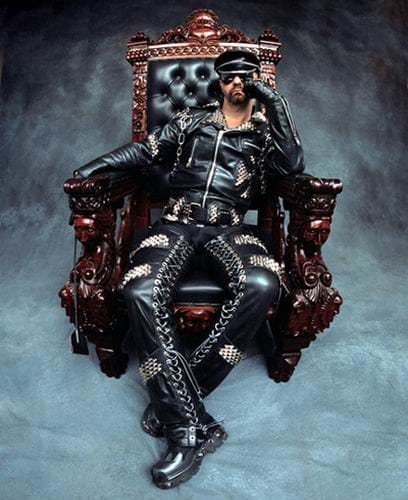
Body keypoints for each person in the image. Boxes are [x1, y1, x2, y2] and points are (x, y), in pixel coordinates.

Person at [74, 50, 305, 489]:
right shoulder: (192, 120)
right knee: (140, 289)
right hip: (176, 225)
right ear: (219, 82)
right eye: (230, 76)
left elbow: (293, 165)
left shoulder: (265, 130)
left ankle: (175, 403)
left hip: (229, 229)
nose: (238, 83)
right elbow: (145, 150)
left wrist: (275, 103)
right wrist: (91, 168)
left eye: (247, 76)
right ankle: (189, 430)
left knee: (261, 282)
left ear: (257, 81)